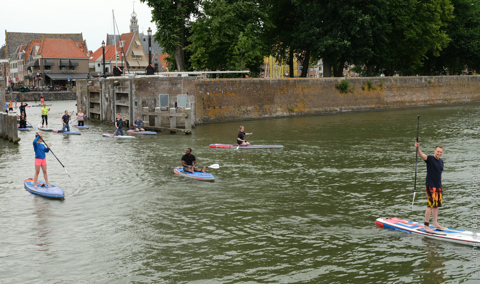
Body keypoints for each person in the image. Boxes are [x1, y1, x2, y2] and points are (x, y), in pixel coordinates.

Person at [415, 142, 445, 233]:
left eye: (440, 152)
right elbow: (421, 155)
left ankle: (435, 223)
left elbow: (440, 173)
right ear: (434, 151)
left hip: (438, 186)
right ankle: (426, 225)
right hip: (430, 185)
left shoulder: (441, 161)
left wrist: (441, 183)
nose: (439, 153)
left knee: (436, 206)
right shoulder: (430, 158)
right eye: (438, 151)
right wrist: (418, 148)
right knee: (431, 205)